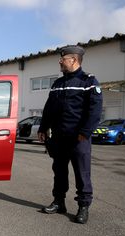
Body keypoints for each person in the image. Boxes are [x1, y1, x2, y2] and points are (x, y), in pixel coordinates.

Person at [37, 45, 103, 224]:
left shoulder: (88, 81)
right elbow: (49, 108)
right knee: (59, 171)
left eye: (63, 58)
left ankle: (83, 207)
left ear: (73, 60)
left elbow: (95, 111)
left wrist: (85, 132)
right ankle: (59, 202)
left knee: (82, 173)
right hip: (59, 137)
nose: (60, 61)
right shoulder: (58, 83)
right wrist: (43, 128)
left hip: (78, 138)